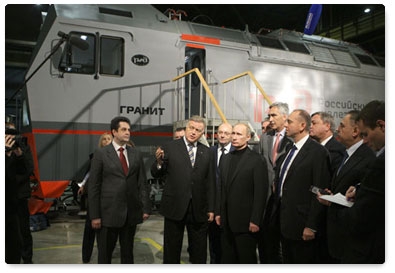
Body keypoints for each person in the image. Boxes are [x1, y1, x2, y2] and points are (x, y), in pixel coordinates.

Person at [151, 115, 215, 264]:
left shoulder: (207, 152)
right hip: (175, 206)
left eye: (198, 130)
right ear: (186, 128)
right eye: (191, 128)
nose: (193, 132)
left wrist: (211, 208)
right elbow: (156, 173)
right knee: (172, 251)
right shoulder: (170, 147)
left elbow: (210, 182)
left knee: (199, 252)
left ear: (202, 133)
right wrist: (159, 162)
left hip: (199, 209)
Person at [270, 109, 331, 263]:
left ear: (302, 125)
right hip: (284, 223)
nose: (285, 124)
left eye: (289, 122)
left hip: (302, 225)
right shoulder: (290, 150)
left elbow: (319, 190)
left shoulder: (317, 152)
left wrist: (311, 225)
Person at [88, 116, 151, 264]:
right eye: (123, 129)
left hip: (130, 214)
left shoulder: (135, 153)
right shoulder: (101, 154)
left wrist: (146, 208)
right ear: (114, 132)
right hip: (107, 215)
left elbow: (142, 182)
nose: (128, 132)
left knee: (128, 254)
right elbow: (94, 186)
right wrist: (94, 215)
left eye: (129, 129)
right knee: (105, 255)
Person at [317, 110, 375, 262]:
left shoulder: (368, 158)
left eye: (342, 126)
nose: (337, 129)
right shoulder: (346, 154)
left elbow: (364, 200)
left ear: (355, 131)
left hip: (352, 238)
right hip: (336, 235)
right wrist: (331, 197)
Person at [329, 100, 384, 263]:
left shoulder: (380, 161)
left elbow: (360, 216)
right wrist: (360, 189)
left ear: (382, 126)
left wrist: (335, 208)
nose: (364, 140)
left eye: (365, 134)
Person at [215, 123, 269, 263]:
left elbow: (260, 193)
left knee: (246, 260)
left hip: (246, 223)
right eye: (233, 133)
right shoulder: (225, 158)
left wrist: (255, 220)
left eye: (239, 134)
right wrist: (219, 212)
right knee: (227, 260)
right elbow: (221, 188)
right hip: (226, 222)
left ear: (248, 137)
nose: (234, 137)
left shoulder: (257, 160)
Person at [257, 102, 293, 263]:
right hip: (266, 198)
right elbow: (260, 164)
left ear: (285, 117)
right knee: (267, 242)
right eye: (269, 115)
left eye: (274, 115)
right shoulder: (265, 137)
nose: (270, 119)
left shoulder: (293, 139)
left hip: (286, 198)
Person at [78, 132, 113, 263]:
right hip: (95, 197)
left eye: (109, 139)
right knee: (89, 228)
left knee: (105, 233)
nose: (107, 141)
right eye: (104, 139)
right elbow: (89, 174)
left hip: (108, 199)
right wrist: (83, 185)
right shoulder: (95, 157)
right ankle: (86, 256)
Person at [208, 122, 234, 264]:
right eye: (220, 132)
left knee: (228, 246)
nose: (222, 135)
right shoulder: (209, 152)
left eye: (226, 133)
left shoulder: (237, 152)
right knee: (213, 245)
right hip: (212, 206)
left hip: (230, 207)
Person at [5, 126, 24, 263]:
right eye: (8, 136)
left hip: (12, 204)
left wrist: (19, 155)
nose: (11, 139)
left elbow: (23, 170)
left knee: (15, 243)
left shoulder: (13, 153)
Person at [310, 111, 346, 176]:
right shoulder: (311, 148)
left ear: (327, 126)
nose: (310, 127)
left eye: (314, 123)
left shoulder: (337, 150)